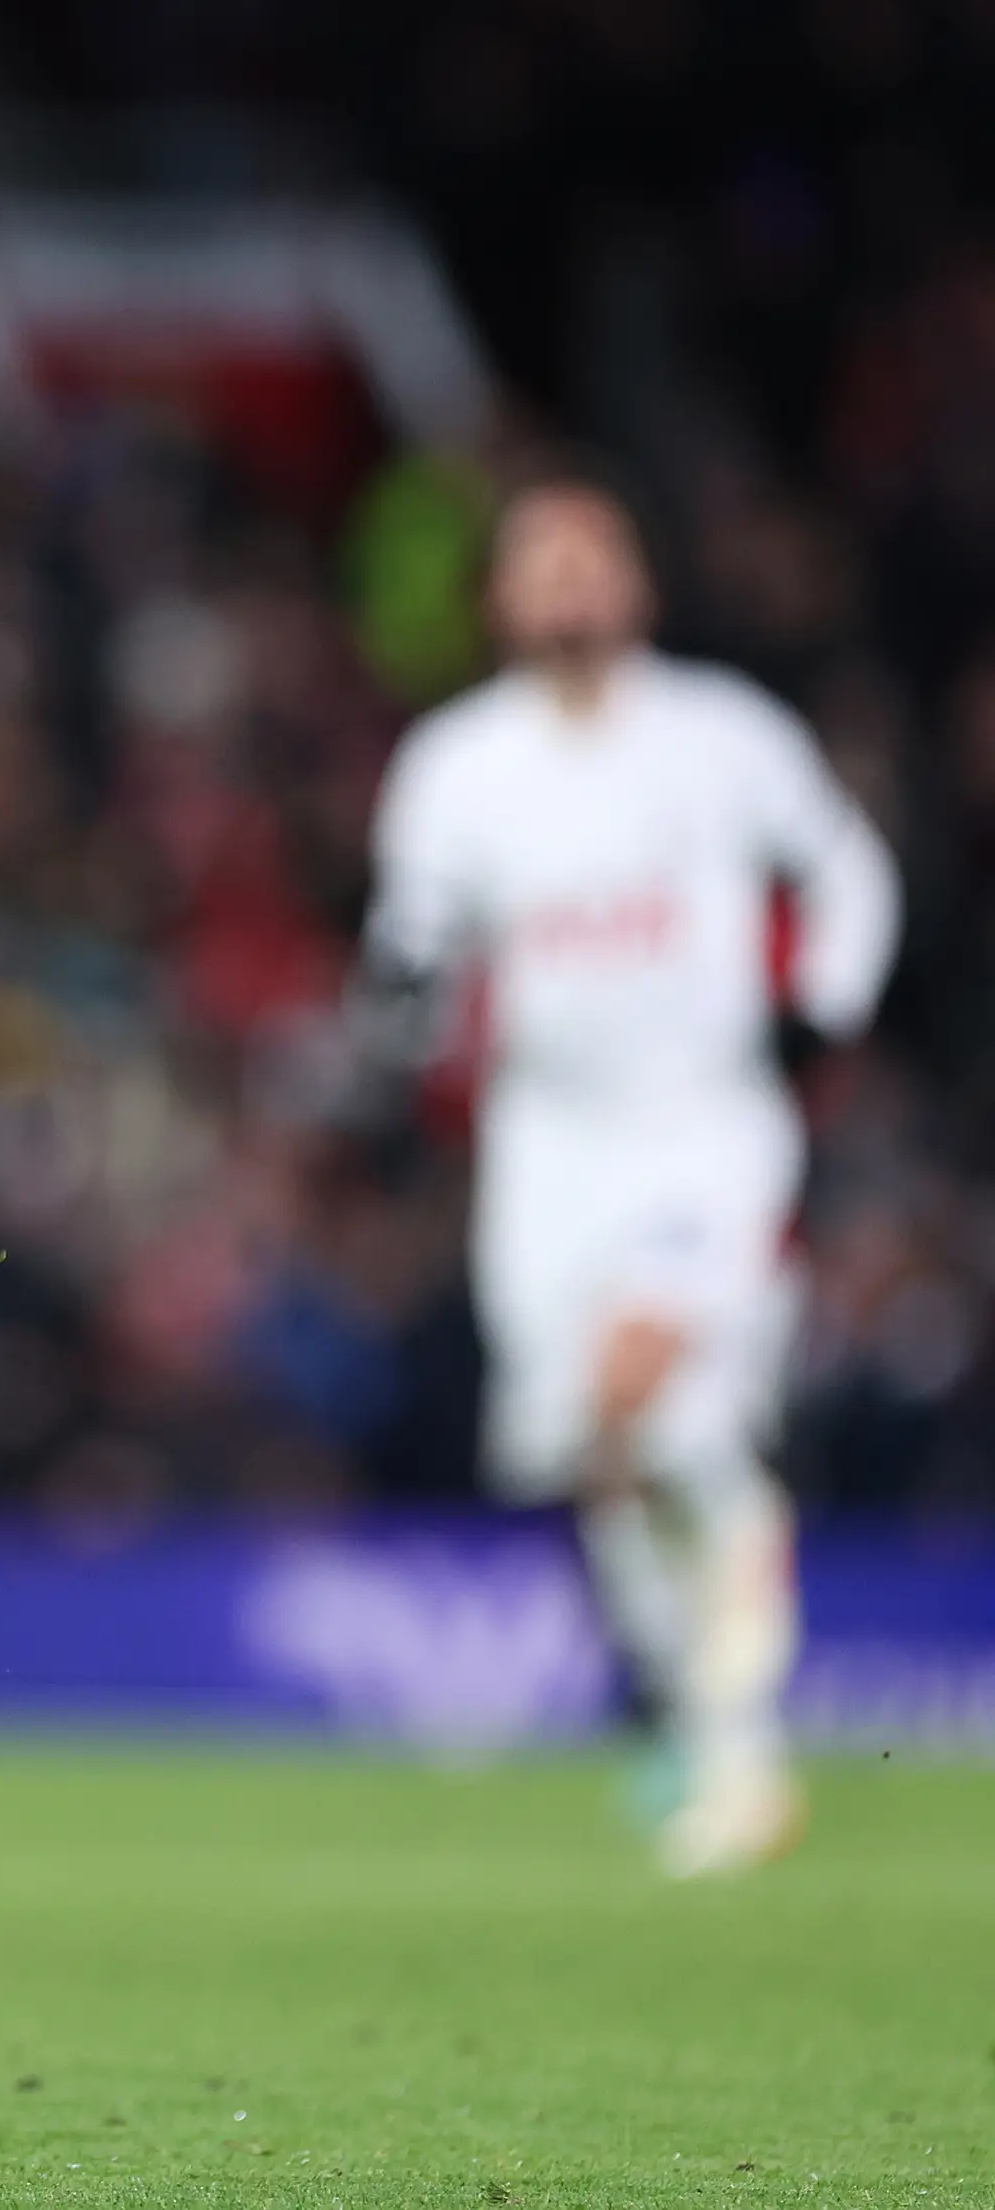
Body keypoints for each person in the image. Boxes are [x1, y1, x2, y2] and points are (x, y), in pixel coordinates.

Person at [362, 481, 899, 1876]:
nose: (568, 586)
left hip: (702, 1128)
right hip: (546, 1146)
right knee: (596, 1460)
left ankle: (744, 1755)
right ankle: (694, 1721)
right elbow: (409, 955)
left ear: (639, 586)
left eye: (592, 556)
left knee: (641, 1401)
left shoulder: (726, 737)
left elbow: (851, 873)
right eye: (541, 564)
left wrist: (822, 1006)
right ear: (500, 602)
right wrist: (409, 990)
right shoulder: (455, 765)